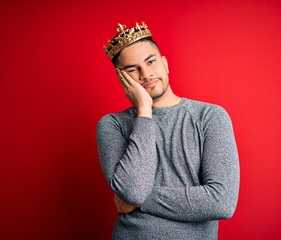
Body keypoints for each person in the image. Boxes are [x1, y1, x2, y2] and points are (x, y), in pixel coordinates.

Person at [96, 22, 240, 240]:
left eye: (151, 62)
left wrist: (140, 202)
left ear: (165, 63)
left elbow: (221, 201)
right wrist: (144, 111)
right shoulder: (112, 125)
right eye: (132, 69)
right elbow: (134, 189)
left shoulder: (210, 116)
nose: (146, 74)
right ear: (122, 79)